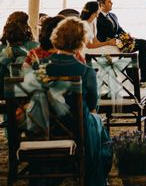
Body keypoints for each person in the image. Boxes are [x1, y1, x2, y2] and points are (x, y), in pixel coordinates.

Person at [44, 18, 111, 186]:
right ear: (81, 42)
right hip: (76, 128)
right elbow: (92, 106)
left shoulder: (40, 68)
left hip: (44, 127)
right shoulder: (86, 71)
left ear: (56, 37)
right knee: (97, 124)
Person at [95, 0, 146, 82]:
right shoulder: (97, 18)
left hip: (121, 41)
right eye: (109, 1)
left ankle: (144, 75)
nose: (112, 3)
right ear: (101, 4)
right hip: (110, 45)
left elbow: (119, 29)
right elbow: (99, 36)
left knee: (143, 43)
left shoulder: (113, 15)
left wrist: (128, 38)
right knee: (128, 50)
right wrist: (115, 41)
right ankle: (132, 79)